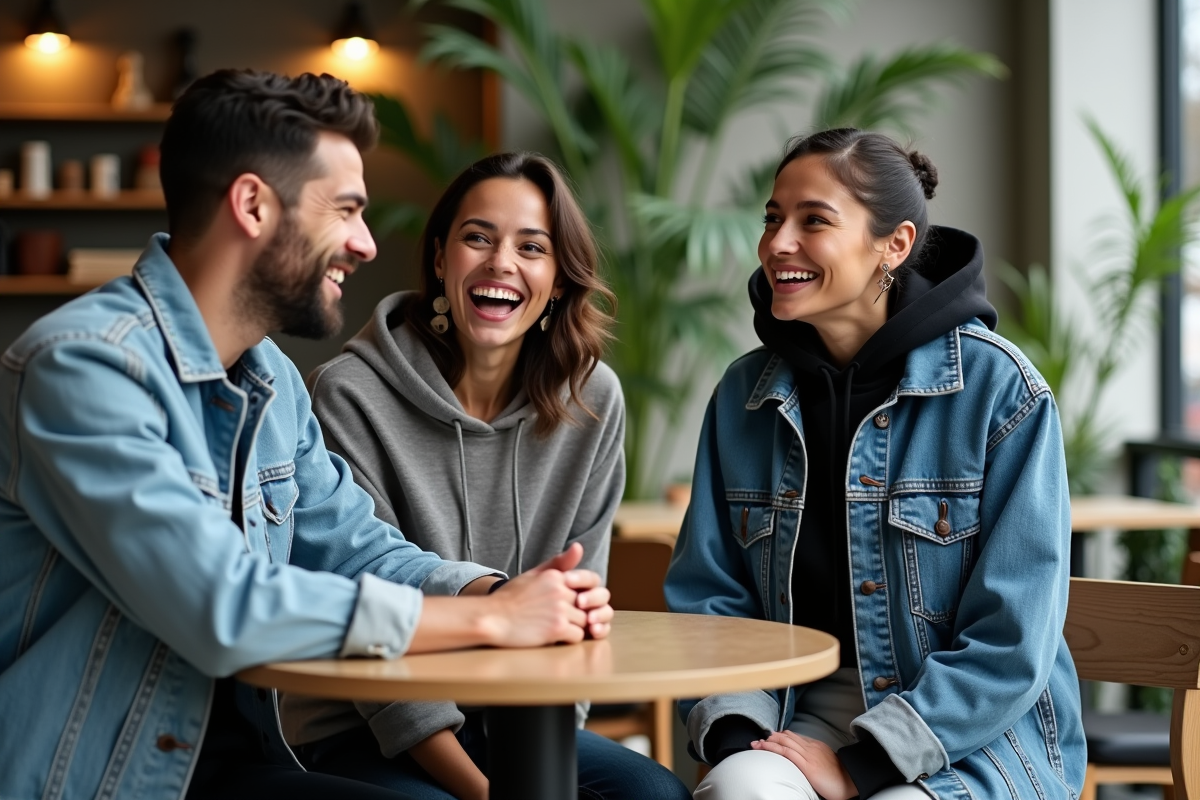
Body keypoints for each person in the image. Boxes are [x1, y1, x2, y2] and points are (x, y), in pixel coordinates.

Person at [0, 70, 613, 800]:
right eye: (346, 209)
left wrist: (505, 589)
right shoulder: (85, 366)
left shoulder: (272, 381)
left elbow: (355, 548)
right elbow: (222, 609)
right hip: (103, 775)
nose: (363, 241)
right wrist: (489, 616)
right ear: (253, 205)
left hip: (236, 759)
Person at [664, 128, 1085, 799]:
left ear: (895, 245)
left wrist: (866, 767)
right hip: (794, 711)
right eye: (773, 218)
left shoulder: (1001, 392)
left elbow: (1013, 636)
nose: (777, 244)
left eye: (814, 221)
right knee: (741, 790)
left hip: (971, 735)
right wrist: (738, 739)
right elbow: (711, 600)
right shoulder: (745, 396)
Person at [281, 152, 691, 800]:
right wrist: (484, 793)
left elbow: (573, 625)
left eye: (532, 247)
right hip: (358, 721)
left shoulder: (594, 401)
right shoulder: (349, 395)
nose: (502, 262)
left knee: (654, 795)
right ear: (441, 259)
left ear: (557, 281)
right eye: (479, 238)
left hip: (515, 718)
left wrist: (543, 768)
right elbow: (364, 623)